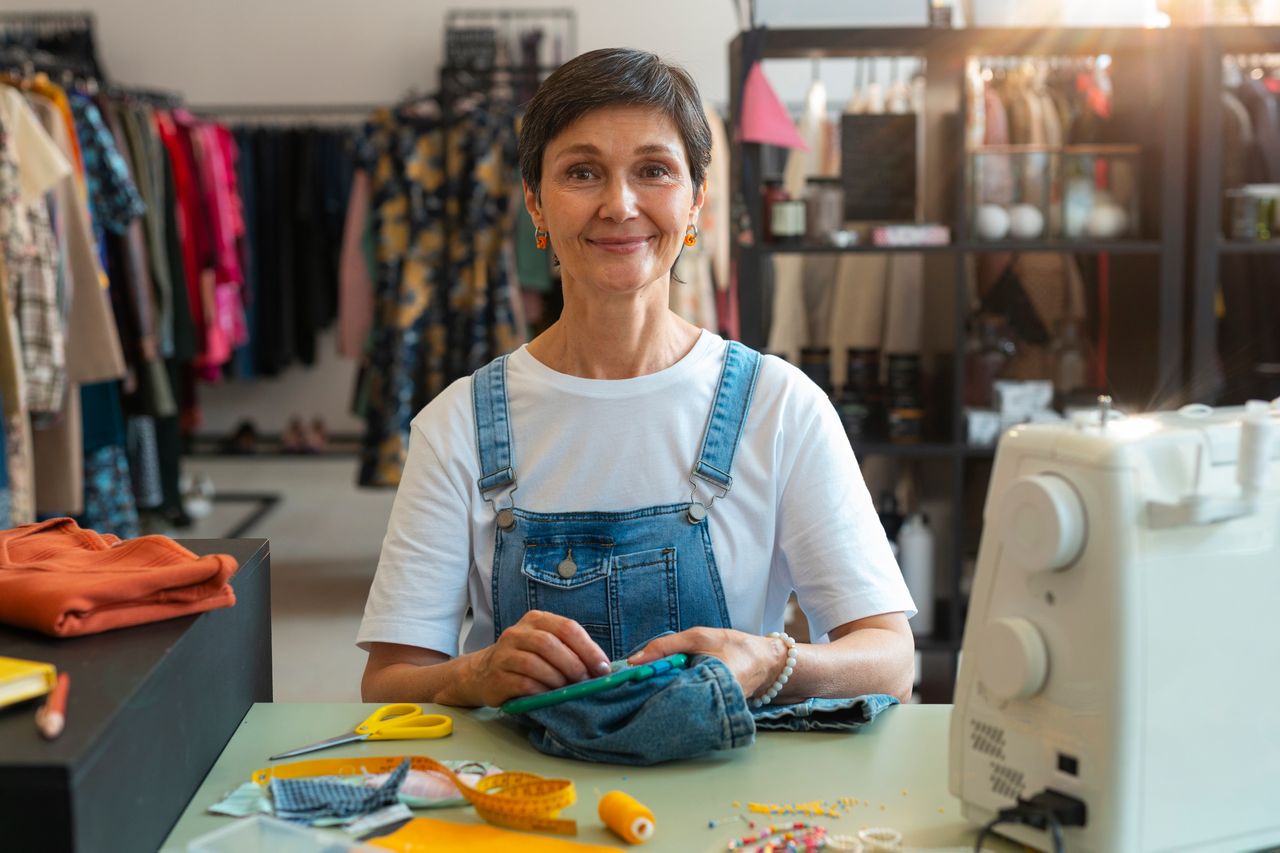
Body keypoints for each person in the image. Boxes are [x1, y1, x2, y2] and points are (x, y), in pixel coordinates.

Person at [359, 47, 915, 709]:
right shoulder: (459, 424)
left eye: (653, 170)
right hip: (526, 803)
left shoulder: (781, 407)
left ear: (697, 202)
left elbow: (889, 660)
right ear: (535, 205)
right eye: (583, 172)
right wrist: (470, 675)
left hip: (732, 801)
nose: (620, 205)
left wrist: (771, 658)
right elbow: (389, 682)